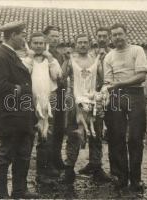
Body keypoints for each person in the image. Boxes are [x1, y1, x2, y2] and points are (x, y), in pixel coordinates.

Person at [0, 21, 38, 199]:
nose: (24, 39)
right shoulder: (0, 57)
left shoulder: (11, 55)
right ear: (12, 36)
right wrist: (20, 89)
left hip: (21, 116)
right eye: (22, 35)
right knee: (5, 155)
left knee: (23, 154)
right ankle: (2, 195)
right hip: (9, 116)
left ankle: (19, 191)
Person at [101, 23, 147, 192]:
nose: (117, 37)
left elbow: (141, 76)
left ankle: (136, 179)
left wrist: (120, 83)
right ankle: (121, 177)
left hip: (135, 94)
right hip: (115, 96)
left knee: (135, 138)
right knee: (116, 136)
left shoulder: (137, 50)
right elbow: (108, 81)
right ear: (111, 38)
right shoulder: (109, 57)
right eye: (114, 35)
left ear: (126, 34)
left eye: (120, 34)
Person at [61, 34, 110, 184]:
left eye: (85, 42)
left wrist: (97, 95)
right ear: (75, 44)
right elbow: (62, 77)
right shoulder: (71, 60)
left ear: (90, 44)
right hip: (75, 103)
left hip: (92, 101)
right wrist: (65, 61)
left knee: (96, 135)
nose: (82, 45)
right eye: (79, 43)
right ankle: (69, 170)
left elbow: (103, 79)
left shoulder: (96, 60)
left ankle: (96, 168)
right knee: (74, 135)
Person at [24, 32, 63, 181]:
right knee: (29, 134)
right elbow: (23, 73)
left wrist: (51, 59)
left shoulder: (50, 60)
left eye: (41, 43)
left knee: (46, 133)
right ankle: (27, 170)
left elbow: (57, 76)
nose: (39, 46)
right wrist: (29, 57)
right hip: (31, 101)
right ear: (31, 44)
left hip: (48, 100)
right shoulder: (26, 60)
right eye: (35, 43)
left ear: (45, 44)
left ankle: (44, 169)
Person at [77, 27, 111, 183]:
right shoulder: (83, 58)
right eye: (99, 36)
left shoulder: (103, 57)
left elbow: (104, 79)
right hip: (82, 101)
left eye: (105, 36)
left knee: (97, 132)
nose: (102, 39)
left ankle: (97, 167)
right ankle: (91, 163)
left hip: (98, 99)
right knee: (84, 133)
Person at [35, 25, 66, 174]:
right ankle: (46, 164)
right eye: (53, 36)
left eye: (58, 36)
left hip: (59, 95)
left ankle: (57, 158)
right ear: (46, 38)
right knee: (47, 128)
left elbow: (62, 75)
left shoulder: (59, 55)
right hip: (45, 96)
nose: (56, 39)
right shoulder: (41, 55)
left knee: (59, 128)